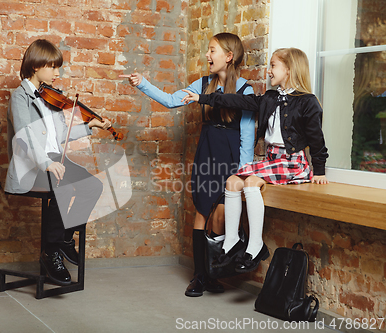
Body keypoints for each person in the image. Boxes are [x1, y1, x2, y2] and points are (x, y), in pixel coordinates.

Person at [120, 32, 255, 297]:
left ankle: (213, 271)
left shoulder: (245, 90)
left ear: (228, 57)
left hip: (231, 159)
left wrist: (244, 170)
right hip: (207, 153)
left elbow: (248, 135)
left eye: (212, 50)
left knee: (222, 213)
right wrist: (143, 83)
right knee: (202, 210)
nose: (207, 55)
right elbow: (171, 100)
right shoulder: (203, 83)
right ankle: (199, 277)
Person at [182, 47, 329, 273]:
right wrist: (203, 98)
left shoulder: (308, 102)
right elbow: (238, 101)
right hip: (272, 161)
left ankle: (255, 245)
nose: (268, 71)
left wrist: (319, 170)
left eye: (273, 65)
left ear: (288, 70)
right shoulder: (270, 97)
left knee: (250, 182)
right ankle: (230, 243)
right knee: (232, 181)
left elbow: (317, 139)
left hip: (293, 163)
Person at [5, 39, 111, 285]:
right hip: (32, 164)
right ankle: (51, 252)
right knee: (63, 185)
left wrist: (89, 125)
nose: (57, 73)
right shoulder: (20, 98)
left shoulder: (49, 97)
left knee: (93, 186)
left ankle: (63, 240)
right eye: (53, 67)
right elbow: (23, 137)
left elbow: (60, 135)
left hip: (54, 160)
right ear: (35, 66)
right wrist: (46, 163)